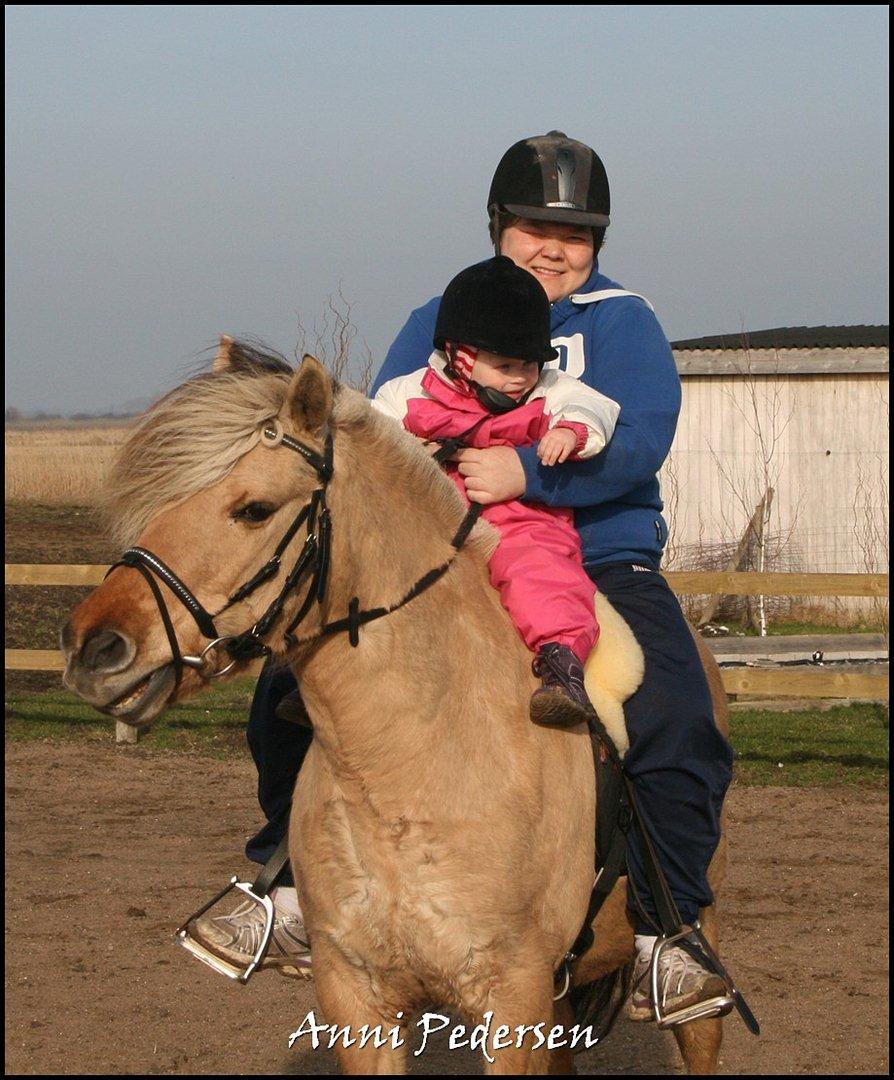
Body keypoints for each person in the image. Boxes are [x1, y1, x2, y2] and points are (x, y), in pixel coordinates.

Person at [190, 131, 734, 1024]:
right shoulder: (436, 316)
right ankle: (283, 888)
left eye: (576, 234)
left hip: (594, 555)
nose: (553, 248)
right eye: (532, 226)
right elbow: (375, 447)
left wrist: (534, 477)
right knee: (286, 688)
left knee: (675, 707)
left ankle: (666, 933)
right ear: (496, 226)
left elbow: (640, 440)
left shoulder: (622, 321)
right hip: (441, 567)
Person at [371, 254, 621, 726]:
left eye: (529, 363)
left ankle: (561, 663)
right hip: (432, 521)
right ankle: (332, 681)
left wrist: (571, 431)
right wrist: (406, 453)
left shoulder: (549, 389)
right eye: (505, 364)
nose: (520, 376)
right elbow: (374, 430)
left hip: (517, 519)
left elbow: (594, 407)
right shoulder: (409, 393)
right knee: (370, 565)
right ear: (459, 357)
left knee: (540, 569)